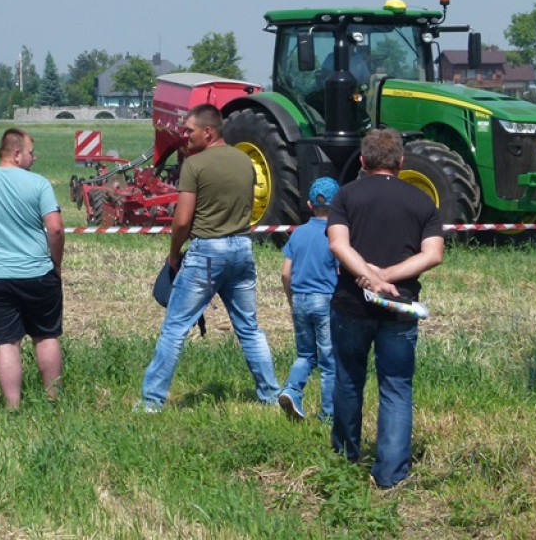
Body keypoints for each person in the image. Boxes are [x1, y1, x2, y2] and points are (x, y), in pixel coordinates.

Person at [138, 104, 281, 412]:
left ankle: (151, 402)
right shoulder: (245, 162)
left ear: (209, 131)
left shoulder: (195, 165)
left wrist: (174, 255)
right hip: (242, 248)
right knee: (250, 329)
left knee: (175, 329)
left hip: (207, 253)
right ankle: (271, 396)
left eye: (189, 130)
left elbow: (182, 220)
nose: (184, 136)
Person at [327, 128, 444, 489]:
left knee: (348, 380)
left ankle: (346, 459)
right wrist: (389, 278)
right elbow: (433, 255)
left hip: (351, 305)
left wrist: (371, 277)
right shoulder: (423, 202)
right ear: (401, 162)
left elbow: (338, 245)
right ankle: (391, 475)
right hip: (400, 309)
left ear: (362, 162)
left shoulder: (345, 196)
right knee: (396, 386)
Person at [0, 128, 65, 409]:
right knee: (46, 336)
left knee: (6, 342)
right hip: (39, 274)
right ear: (16, 154)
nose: (34, 157)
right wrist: (56, 265)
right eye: (31, 152)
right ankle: (54, 401)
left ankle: (12, 407)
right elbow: (55, 228)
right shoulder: (40, 184)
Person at [278, 177, 341, 423]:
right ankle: (328, 415)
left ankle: (292, 389)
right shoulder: (333, 235)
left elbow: (286, 272)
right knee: (329, 360)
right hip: (325, 301)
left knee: (305, 355)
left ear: (308, 204)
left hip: (301, 300)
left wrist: (292, 301)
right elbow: (339, 272)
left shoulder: (298, 234)